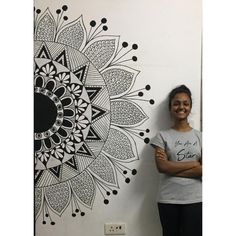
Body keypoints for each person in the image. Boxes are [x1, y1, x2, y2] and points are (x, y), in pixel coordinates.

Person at [151, 85, 202, 236]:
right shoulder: (161, 136)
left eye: (185, 103)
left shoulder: (201, 137)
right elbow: (162, 167)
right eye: (176, 103)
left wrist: (171, 168)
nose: (181, 107)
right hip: (168, 199)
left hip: (196, 198)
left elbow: (205, 170)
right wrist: (194, 164)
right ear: (170, 107)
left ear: (190, 107)